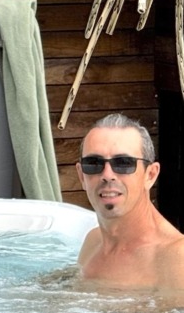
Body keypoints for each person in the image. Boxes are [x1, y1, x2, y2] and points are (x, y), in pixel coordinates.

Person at [75, 113, 184, 293]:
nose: (107, 175)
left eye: (124, 163)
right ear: (81, 176)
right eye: (94, 163)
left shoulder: (175, 259)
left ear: (150, 175)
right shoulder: (93, 241)